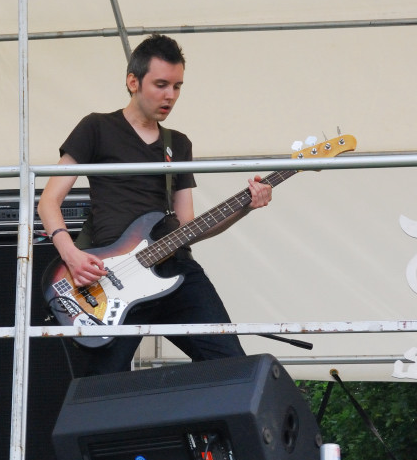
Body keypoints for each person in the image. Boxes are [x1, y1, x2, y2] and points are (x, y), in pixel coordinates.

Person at [37, 34, 272, 376]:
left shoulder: (177, 143)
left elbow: (188, 226)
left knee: (234, 370)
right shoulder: (96, 127)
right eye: (161, 85)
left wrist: (247, 205)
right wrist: (71, 255)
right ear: (133, 81)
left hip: (174, 270)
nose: (170, 96)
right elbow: (48, 202)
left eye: (177, 86)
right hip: (109, 277)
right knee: (99, 390)